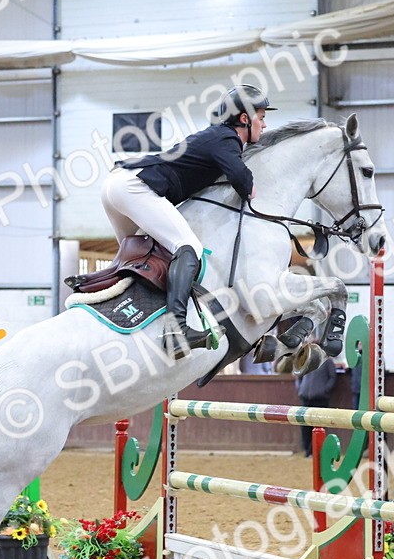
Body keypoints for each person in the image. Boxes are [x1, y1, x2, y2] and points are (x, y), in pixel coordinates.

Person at [101, 85, 274, 357]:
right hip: (134, 186)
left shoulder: (215, 136)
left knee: (137, 256)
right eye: (261, 117)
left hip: (117, 184)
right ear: (244, 119)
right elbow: (244, 184)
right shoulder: (227, 139)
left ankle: (117, 315)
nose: (264, 125)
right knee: (188, 246)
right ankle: (175, 330)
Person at [295, 358, 339, 457]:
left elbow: (332, 377)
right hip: (306, 397)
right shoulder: (306, 358)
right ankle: (308, 450)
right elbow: (299, 376)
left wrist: (325, 391)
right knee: (305, 427)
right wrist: (300, 389)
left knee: (318, 426)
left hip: (320, 399)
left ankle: (313, 451)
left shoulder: (327, 361)